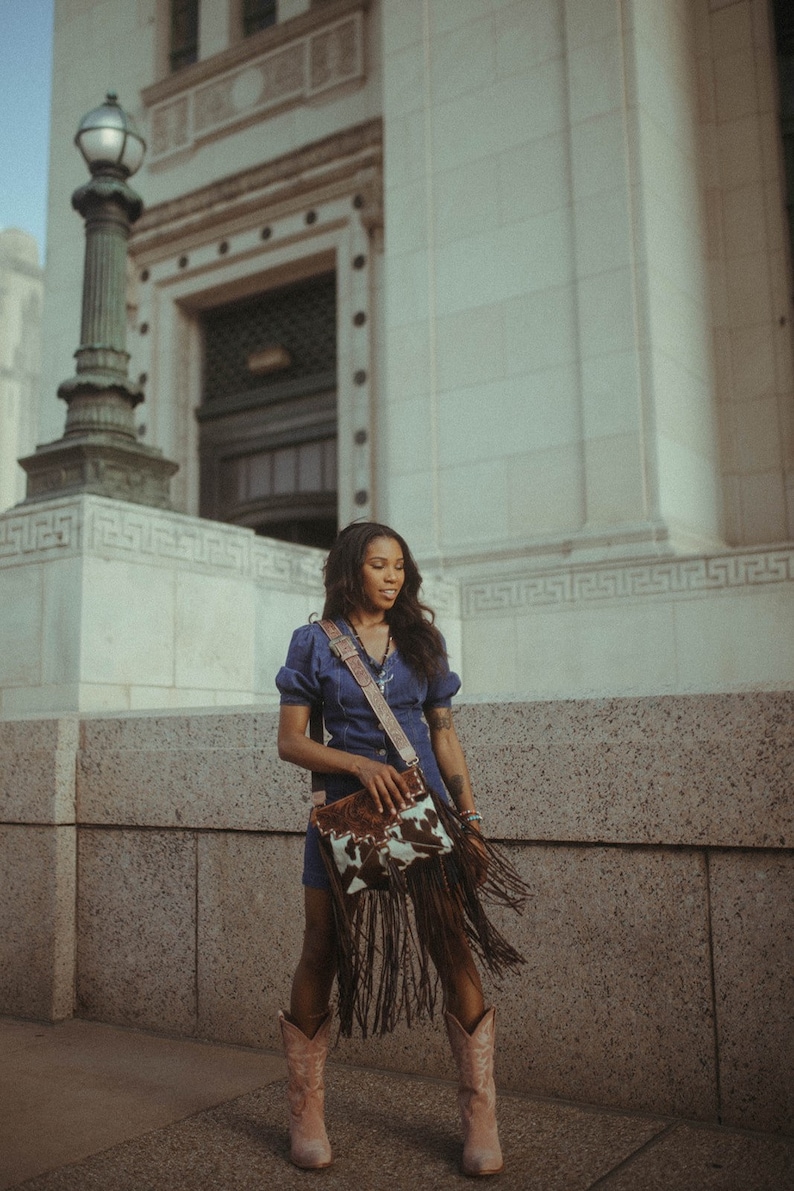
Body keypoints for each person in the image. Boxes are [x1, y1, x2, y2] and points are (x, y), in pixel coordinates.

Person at [275, 521, 514, 1176]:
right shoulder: (314, 642)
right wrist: (357, 764)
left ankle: (480, 1114)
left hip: (420, 814)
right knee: (320, 947)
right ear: (350, 569)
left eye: (400, 567)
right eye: (378, 565)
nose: (391, 577)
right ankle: (306, 1110)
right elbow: (291, 741)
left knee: (451, 945)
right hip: (345, 817)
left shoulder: (421, 641)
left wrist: (471, 817)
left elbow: (444, 736)